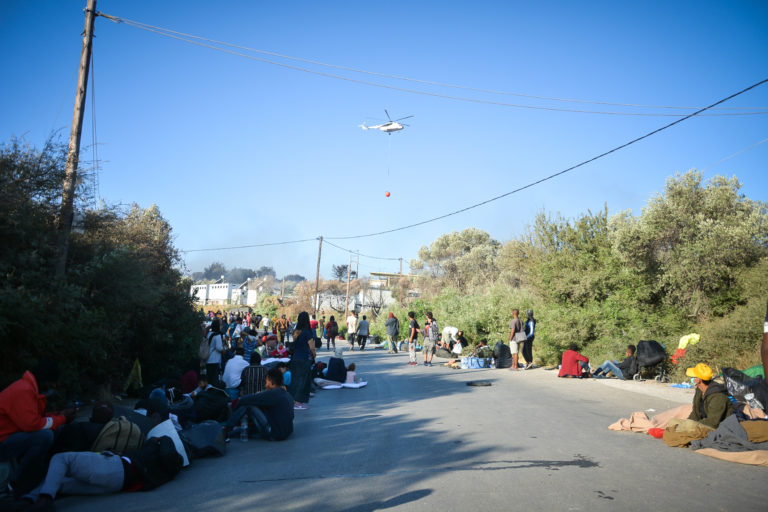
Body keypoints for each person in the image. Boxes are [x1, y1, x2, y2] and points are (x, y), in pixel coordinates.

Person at [0, 359, 75, 498]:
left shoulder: (28, 389)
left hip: (9, 437)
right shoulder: (23, 390)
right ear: (46, 380)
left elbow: (33, 418)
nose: (54, 386)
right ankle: (18, 481)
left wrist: (57, 416)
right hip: (3, 442)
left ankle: (42, 472)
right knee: (44, 436)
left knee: (52, 431)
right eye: (53, 383)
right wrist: (62, 419)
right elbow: (31, 425)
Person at [227, 368, 294, 441]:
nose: (265, 385)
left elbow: (245, 399)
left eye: (266, 382)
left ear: (271, 382)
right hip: (287, 432)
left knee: (248, 406)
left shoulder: (273, 394)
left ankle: (226, 429)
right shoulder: (287, 395)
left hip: (274, 434)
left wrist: (235, 407)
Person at [685, 363, 733, 429]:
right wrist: (686, 424)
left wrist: (693, 426)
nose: (691, 378)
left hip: (722, 427)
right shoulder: (699, 390)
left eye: (692, 377)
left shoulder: (718, 397)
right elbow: (696, 413)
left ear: (698, 380)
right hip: (706, 423)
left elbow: (713, 423)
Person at [287, 312, 316, 410]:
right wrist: (314, 355)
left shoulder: (296, 331)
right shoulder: (307, 332)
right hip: (304, 358)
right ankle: (298, 402)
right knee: (303, 380)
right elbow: (312, 347)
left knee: (295, 379)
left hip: (295, 357)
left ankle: (292, 400)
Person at [205, 318, 225, 385]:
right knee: (214, 379)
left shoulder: (209, 334)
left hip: (208, 359)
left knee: (209, 378)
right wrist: (224, 351)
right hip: (214, 360)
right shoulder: (217, 336)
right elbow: (219, 348)